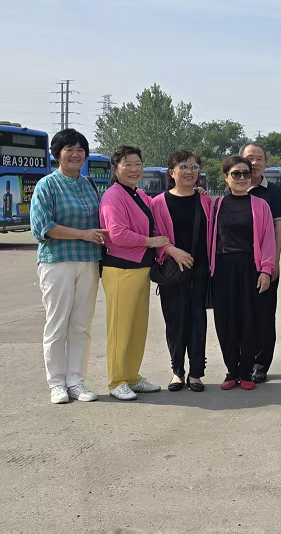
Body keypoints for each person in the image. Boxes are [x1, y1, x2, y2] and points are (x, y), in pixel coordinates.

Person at [30, 129, 106, 404]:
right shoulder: (47, 185)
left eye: (80, 150)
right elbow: (43, 227)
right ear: (57, 154)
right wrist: (83, 234)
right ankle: (57, 384)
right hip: (57, 262)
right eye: (69, 149)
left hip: (88, 262)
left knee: (81, 325)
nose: (76, 154)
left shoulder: (89, 185)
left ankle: (76, 381)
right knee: (57, 324)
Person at [100, 145, 170, 400]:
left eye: (137, 164)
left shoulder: (138, 194)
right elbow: (117, 234)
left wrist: (194, 192)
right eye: (127, 164)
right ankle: (116, 380)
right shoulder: (113, 196)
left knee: (137, 327)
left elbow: (160, 207)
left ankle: (132, 376)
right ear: (115, 169)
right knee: (120, 328)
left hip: (140, 268)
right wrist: (151, 242)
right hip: (121, 269)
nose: (133, 169)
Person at [209, 156, 276, 390]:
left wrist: (266, 270)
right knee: (225, 320)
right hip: (222, 267)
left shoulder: (260, 205)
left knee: (250, 319)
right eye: (236, 174)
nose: (241, 178)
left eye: (246, 173)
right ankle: (231, 370)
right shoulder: (215, 205)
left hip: (250, 267)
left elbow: (268, 240)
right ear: (226, 177)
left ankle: (246, 371)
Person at [150, 151, 214, 392]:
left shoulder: (206, 201)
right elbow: (153, 234)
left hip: (200, 270)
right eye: (184, 166)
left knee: (198, 322)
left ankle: (196, 373)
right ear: (172, 172)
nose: (190, 171)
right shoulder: (158, 203)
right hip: (172, 271)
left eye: (195, 167)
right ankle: (177, 371)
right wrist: (171, 250)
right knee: (174, 323)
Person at [239, 142, 281, 384]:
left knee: (265, 315)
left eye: (259, 158)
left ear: (266, 163)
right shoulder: (233, 187)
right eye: (250, 158)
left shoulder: (273, 192)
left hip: (265, 264)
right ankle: (241, 362)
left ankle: (261, 364)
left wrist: (274, 261)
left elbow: (278, 228)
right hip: (238, 264)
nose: (254, 163)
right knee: (241, 314)